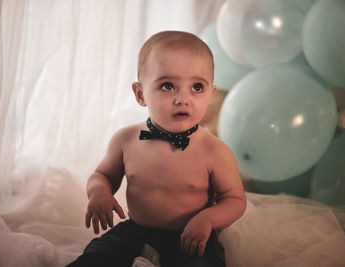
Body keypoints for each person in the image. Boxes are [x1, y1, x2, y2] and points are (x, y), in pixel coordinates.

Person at [67, 30, 246, 267]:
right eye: (168, 86)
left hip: (189, 235)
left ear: (211, 94)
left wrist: (208, 218)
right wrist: (99, 192)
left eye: (197, 87)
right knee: (96, 256)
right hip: (135, 228)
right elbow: (102, 175)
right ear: (140, 94)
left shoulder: (215, 152)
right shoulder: (126, 140)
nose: (183, 98)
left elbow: (234, 199)